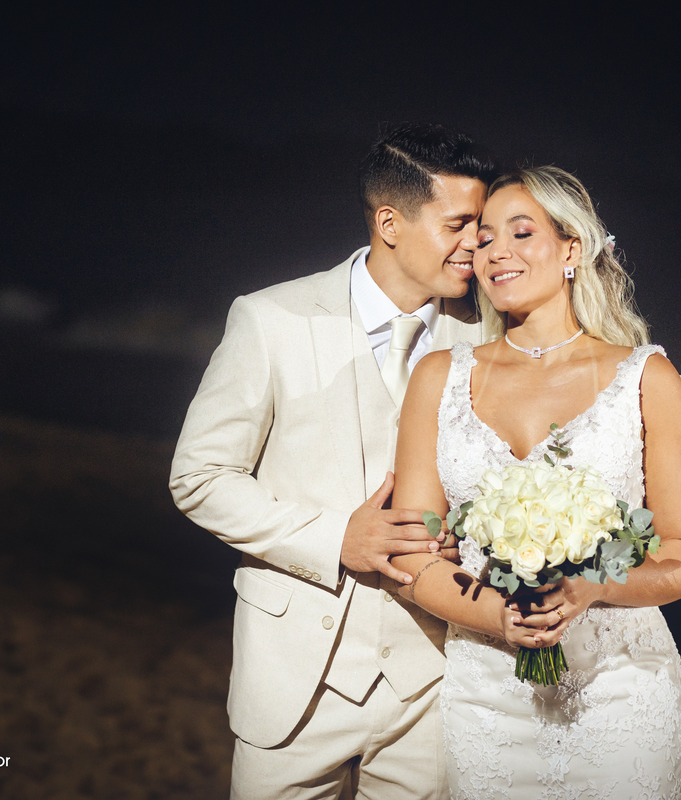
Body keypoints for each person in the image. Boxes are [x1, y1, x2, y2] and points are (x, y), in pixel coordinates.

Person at [169, 123, 498, 799]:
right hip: (294, 684)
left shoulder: (486, 337)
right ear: (390, 223)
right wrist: (334, 539)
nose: (476, 243)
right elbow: (198, 477)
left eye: (482, 224)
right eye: (459, 224)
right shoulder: (272, 320)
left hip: (431, 684)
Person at [389, 166, 681, 798]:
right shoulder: (439, 377)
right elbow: (415, 556)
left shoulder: (645, 378)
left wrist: (596, 585)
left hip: (620, 691)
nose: (496, 253)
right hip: (486, 694)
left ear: (572, 249)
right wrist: (500, 619)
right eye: (484, 240)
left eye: (521, 232)